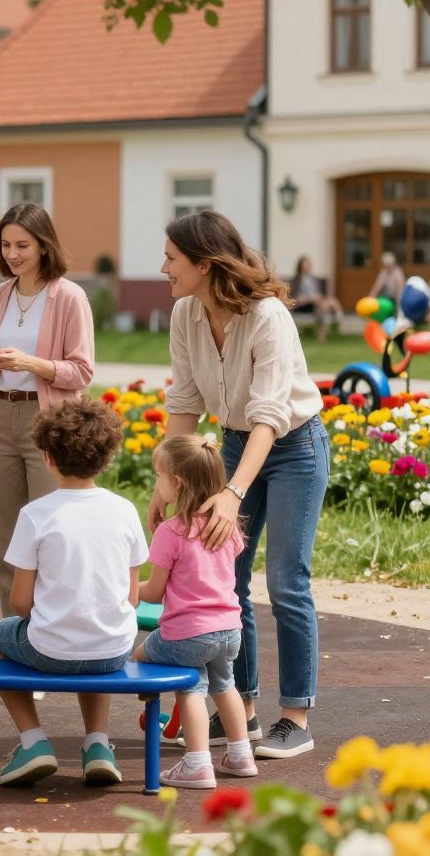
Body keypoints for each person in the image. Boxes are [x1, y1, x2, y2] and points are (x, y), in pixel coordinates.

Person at [160, 210, 326, 760]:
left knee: (285, 579)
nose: (164, 268)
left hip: (294, 447)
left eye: (172, 259)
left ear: (204, 264)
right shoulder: (185, 313)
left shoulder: (268, 316)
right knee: (224, 574)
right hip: (234, 443)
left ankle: (295, 715)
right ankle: (242, 706)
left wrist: (231, 495)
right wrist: (169, 485)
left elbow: (271, 415)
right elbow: (184, 401)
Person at [0, 398, 147, 788]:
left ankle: (33, 740)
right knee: (97, 635)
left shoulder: (36, 514)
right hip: (113, 650)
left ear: (47, 457)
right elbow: (132, 598)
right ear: (106, 458)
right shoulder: (124, 510)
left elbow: (21, 603)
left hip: (50, 650)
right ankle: (98, 744)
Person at [0, 202, 95, 615]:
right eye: (5, 245)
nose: (12, 254)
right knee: (8, 540)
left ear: (44, 245)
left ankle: (51, 634)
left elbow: (81, 371)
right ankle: (13, 635)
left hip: (48, 425)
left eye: (22, 244)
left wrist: (29, 363)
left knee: (49, 534)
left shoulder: (69, 296)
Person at [134, 436, 254, 788]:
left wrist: (124, 589)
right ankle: (240, 753)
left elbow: (153, 592)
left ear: (178, 483)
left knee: (152, 664)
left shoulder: (171, 532)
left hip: (188, 635)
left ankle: (197, 763)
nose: (156, 485)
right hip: (230, 629)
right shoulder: (225, 525)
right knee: (225, 684)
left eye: (159, 477)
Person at [290, 256, 343, 342]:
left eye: (308, 264)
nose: (307, 266)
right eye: (305, 264)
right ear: (300, 266)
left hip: (315, 303)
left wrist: (318, 297)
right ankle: (326, 331)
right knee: (323, 304)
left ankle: (337, 320)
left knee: (331, 301)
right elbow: (294, 297)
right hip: (302, 304)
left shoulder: (314, 279)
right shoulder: (296, 280)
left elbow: (320, 293)